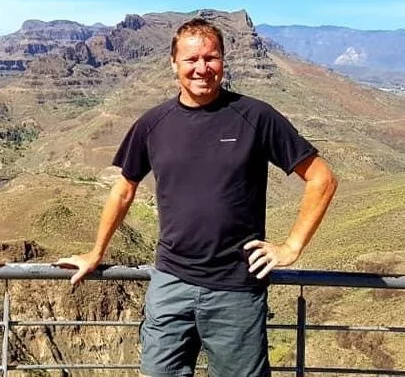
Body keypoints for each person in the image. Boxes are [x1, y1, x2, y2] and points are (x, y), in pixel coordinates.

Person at [57, 18, 337, 377]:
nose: (202, 68)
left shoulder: (256, 116)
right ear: (174, 63)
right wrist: (96, 253)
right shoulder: (153, 123)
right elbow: (124, 188)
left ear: (223, 61)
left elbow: (322, 178)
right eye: (191, 60)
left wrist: (291, 246)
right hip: (171, 282)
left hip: (236, 289)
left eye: (211, 57)